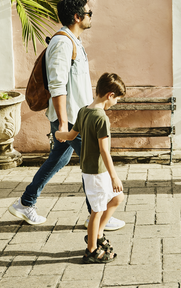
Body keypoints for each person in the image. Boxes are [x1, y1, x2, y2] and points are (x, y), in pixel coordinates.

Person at [8, 0, 125, 231]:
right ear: (77, 16)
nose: (91, 16)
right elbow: (57, 85)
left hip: (77, 116)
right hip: (73, 120)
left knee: (57, 160)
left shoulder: (73, 41)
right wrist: (63, 124)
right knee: (94, 163)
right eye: (89, 12)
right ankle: (97, 214)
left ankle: (25, 203)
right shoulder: (62, 43)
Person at [55, 72, 126, 264]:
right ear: (110, 95)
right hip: (97, 172)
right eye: (117, 98)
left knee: (117, 198)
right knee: (97, 210)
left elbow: (70, 135)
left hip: (93, 171)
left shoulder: (83, 111)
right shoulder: (101, 117)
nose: (117, 102)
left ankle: (98, 234)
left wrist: (57, 133)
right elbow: (104, 150)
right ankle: (91, 249)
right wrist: (114, 177)